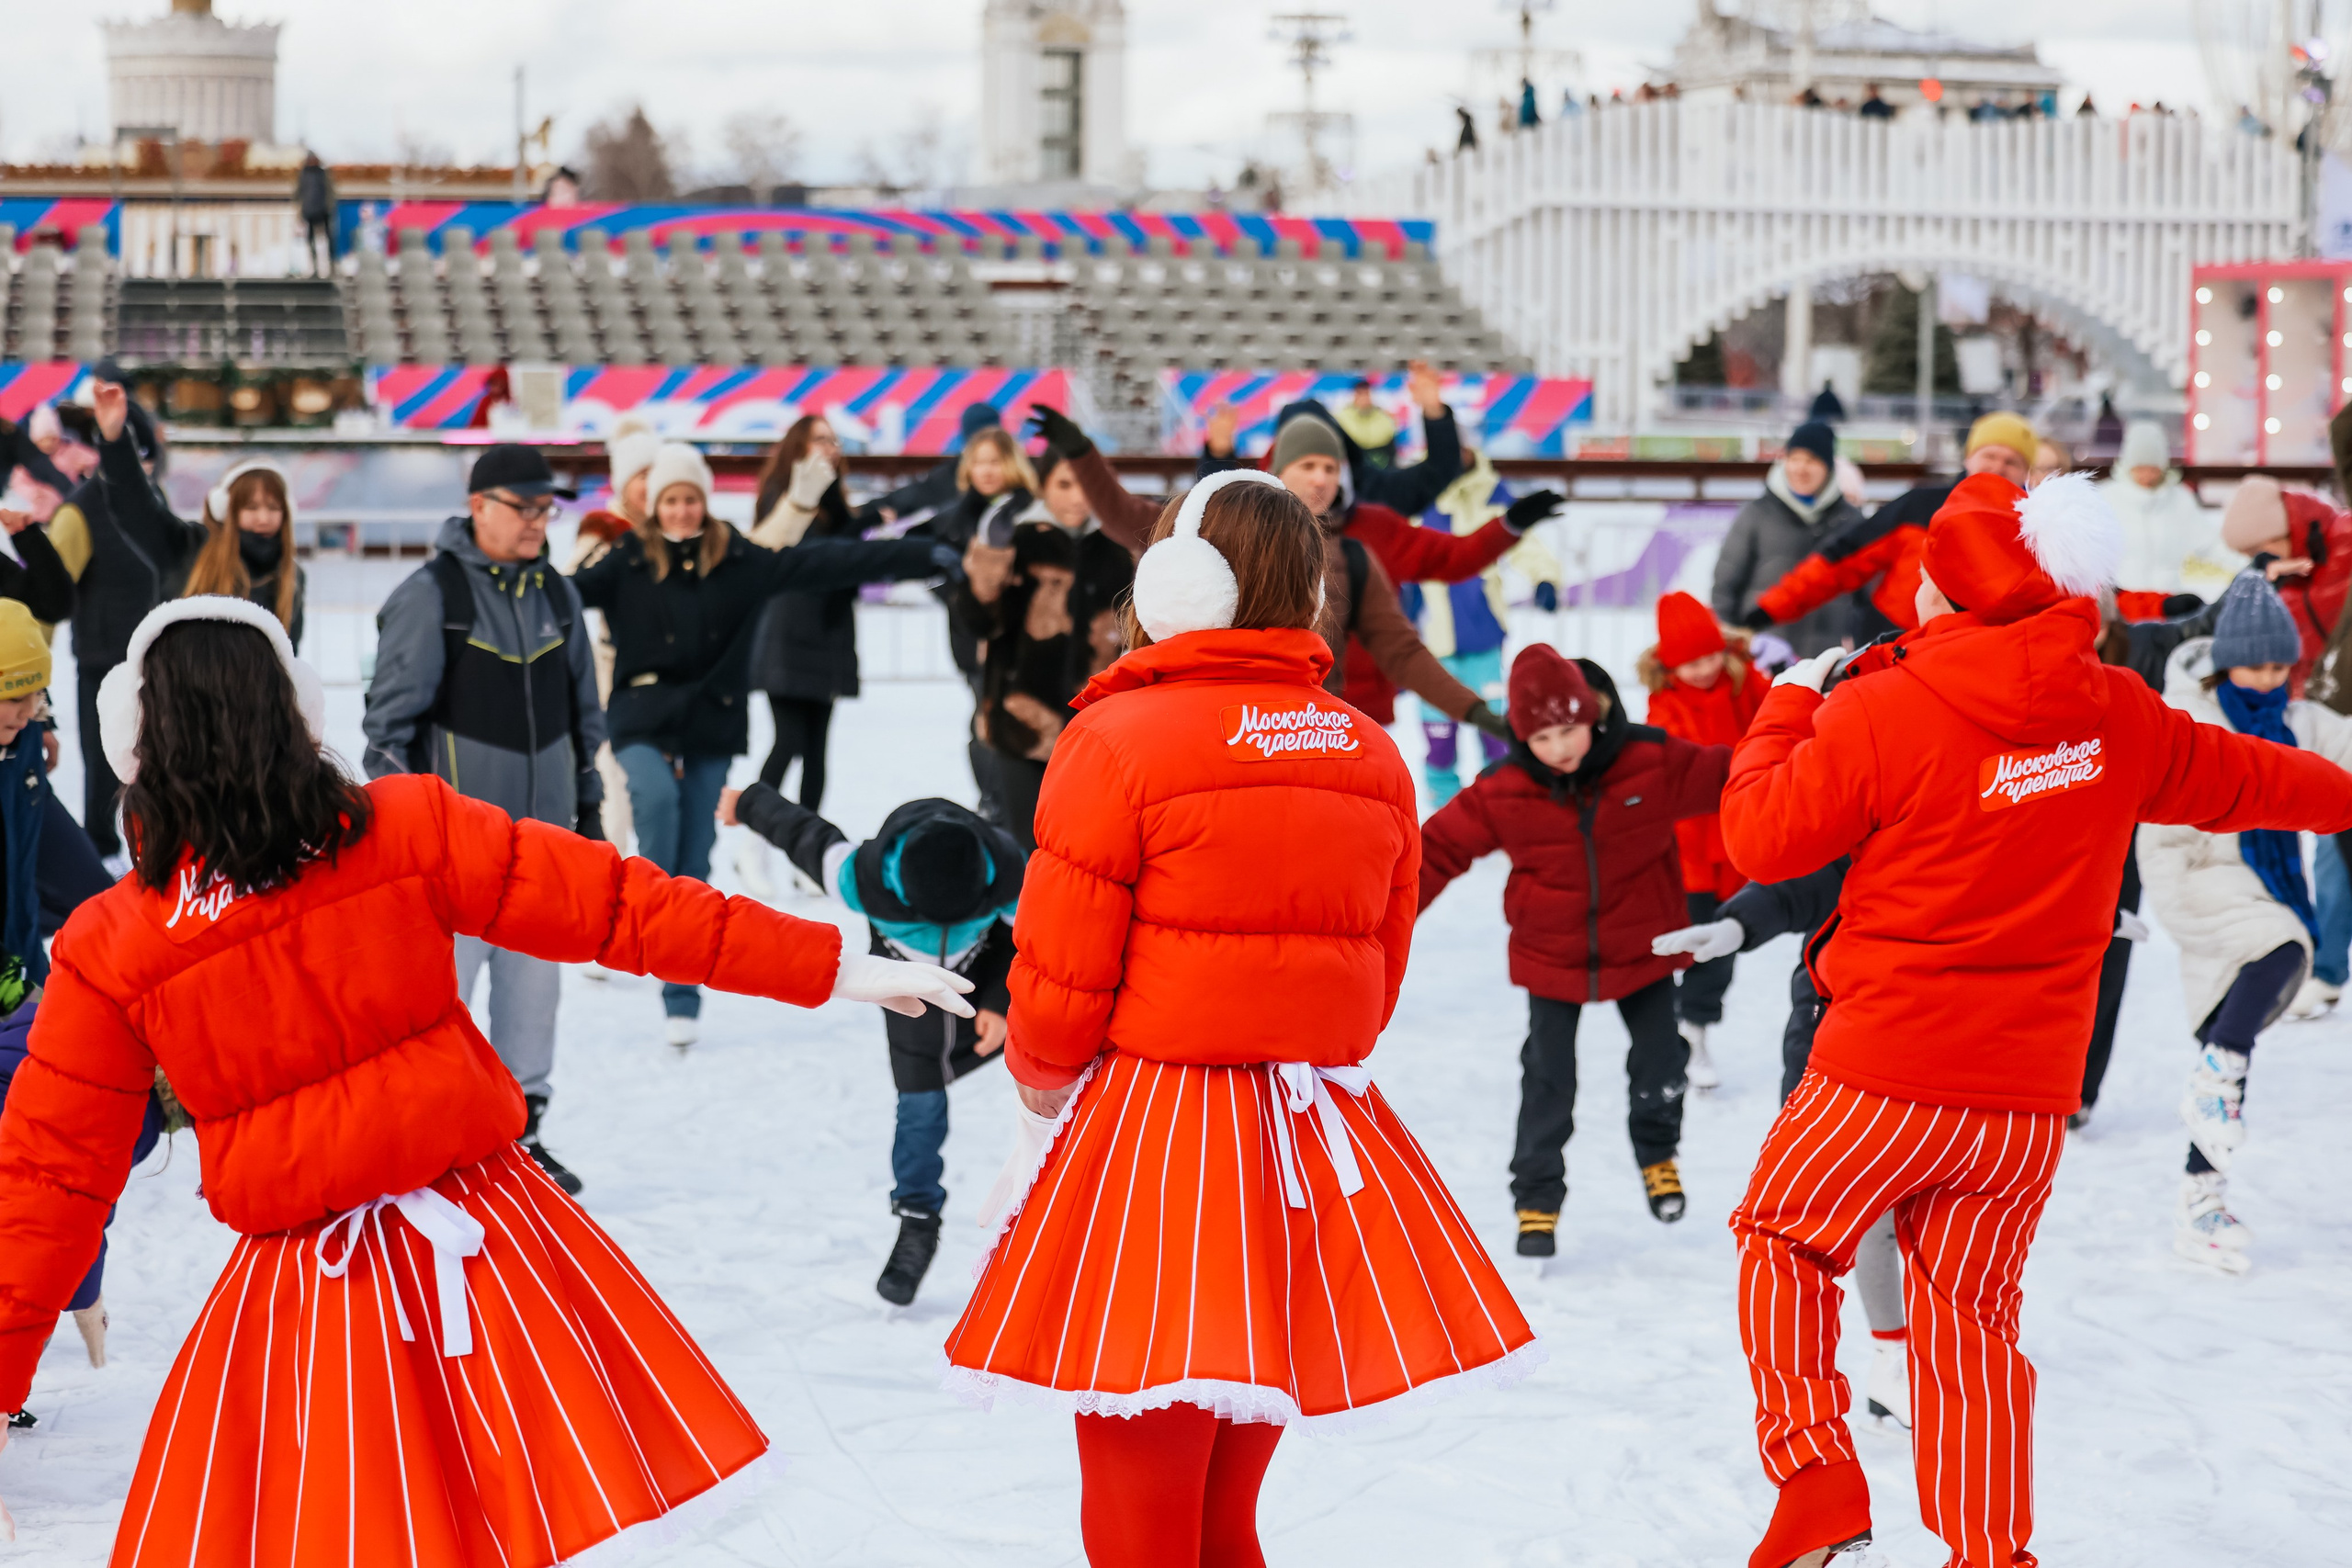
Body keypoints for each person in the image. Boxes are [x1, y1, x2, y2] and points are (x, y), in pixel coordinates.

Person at [0, 592, 971, 1558]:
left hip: (317, 1290)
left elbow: (44, 1188)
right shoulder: (402, 828)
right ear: (298, 713)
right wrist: (827, 963)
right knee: (512, 1522)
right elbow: (617, 905)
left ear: (133, 744)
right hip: (489, 1242)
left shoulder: (114, 943)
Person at [1718, 472, 2352, 1568]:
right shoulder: (2115, 712)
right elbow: (2261, 782)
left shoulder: (1879, 706)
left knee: (1782, 1237)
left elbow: (1757, 840)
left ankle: (1817, 1480)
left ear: (1949, 593)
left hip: (1881, 1074)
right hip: (2018, 1110)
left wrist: (1787, 706)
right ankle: (1990, 1552)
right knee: (1969, 1326)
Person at [943, 471, 1536, 1566]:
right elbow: (1378, 964)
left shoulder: (1118, 736)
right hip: (1304, 1140)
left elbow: (1063, 964)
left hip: (1159, 1141)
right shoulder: (1364, 748)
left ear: (1175, 583)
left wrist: (1037, 1065)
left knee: (1140, 1506)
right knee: (1223, 1512)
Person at [571, 443, 958, 1046]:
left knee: (694, 860)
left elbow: (826, 562)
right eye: (670, 500)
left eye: (690, 499)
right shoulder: (625, 558)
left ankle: (681, 986)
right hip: (641, 718)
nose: (680, 511)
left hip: (708, 722)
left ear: (704, 502)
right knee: (656, 810)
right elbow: (566, 592)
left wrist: (923, 555)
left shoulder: (737, 559)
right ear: (655, 507)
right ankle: (649, 929)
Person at [1419, 643, 1729, 1252]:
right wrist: (1382, 917)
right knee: (1548, 1076)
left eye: (1569, 730)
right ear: (1520, 738)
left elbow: (1737, 772)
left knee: (1661, 1058)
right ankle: (1536, 1197)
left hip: (1644, 943)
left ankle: (1657, 1153)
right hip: (1552, 952)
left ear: (1593, 715)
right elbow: (1436, 852)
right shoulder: (1503, 790)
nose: (1559, 747)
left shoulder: (1649, 761)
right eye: (1542, 738)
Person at [363, 444, 604, 1191]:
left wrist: (588, 816)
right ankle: (433, 1145)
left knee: (534, 1007)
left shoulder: (558, 594)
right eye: (524, 506)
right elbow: (386, 734)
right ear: (479, 506)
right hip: (456, 860)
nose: (538, 521)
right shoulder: (432, 594)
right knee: (440, 1011)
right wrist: (413, 840)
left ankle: (523, 1136)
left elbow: (584, 715)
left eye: (545, 508)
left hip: (545, 850)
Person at [1049, 402, 1527, 739]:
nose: (1321, 478)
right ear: (1276, 469)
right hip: (1214, 721)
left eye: (1331, 467)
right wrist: (1082, 455)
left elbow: (1402, 650)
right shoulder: (1220, 530)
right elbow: (1126, 514)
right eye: (1308, 465)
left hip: (1320, 728)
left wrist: (1477, 712)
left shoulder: (1358, 551)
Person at [721, 781, 1020, 1305]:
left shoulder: (1011, 874)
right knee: (920, 1107)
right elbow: (806, 834)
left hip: (990, 986)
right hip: (910, 998)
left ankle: (1072, 1213)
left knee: (1053, 1078)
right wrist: (746, 803)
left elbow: (1032, 935)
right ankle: (917, 1219)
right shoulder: (860, 877)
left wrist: (998, 998)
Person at [2139, 576, 2352, 1273]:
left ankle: (2200, 1202)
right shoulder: (2190, 720)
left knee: (2224, 1048)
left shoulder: (2296, 719)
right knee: (2281, 948)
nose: (2270, 678)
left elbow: (2344, 750)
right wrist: (2180, 897)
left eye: (2280, 666)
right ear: (2226, 660)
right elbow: (2161, 833)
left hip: (2259, 886)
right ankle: (2209, 1124)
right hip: (2196, 876)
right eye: (2257, 664)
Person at [47, 380, 202, 867]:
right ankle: (100, 848)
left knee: (158, 763)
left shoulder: (153, 505)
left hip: (154, 660)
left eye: (147, 455)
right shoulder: (79, 512)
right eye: (136, 453)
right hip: (101, 657)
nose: (143, 465)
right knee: (102, 763)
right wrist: (29, 681)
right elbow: (48, 598)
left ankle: (154, 852)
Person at [951, 443, 1136, 850]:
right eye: (1065, 485)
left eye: (1087, 486)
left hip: (1093, 732)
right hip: (1020, 725)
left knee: (1084, 849)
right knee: (1026, 848)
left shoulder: (1119, 550)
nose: (1077, 498)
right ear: (1043, 486)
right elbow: (975, 619)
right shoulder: (1016, 540)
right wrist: (990, 557)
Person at [1741, 412, 2038, 645]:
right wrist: (1764, 613)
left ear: (2026, 471)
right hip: (1891, 644)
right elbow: (1840, 562)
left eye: (2011, 461)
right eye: (1989, 455)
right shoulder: (1919, 507)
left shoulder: (2034, 529)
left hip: (1973, 655)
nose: (1997, 467)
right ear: (1968, 457)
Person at [1637, 591, 1763, 1090]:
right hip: (1685, 849)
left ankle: (1697, 1025)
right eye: (1690, 663)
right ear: (1669, 665)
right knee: (1680, 938)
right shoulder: (1663, 706)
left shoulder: (1747, 684)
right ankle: (1667, 1029)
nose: (1704, 668)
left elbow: (1781, 721)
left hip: (1737, 839)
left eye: (1711, 656)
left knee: (1723, 941)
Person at [1406, 452, 1564, 805]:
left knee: (1496, 733)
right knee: (1440, 740)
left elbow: (1525, 542)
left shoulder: (1491, 493)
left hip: (1483, 638)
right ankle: (1446, 811)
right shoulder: (1417, 496)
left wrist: (1544, 578)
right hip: (1433, 645)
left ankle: (1503, 803)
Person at [562, 415, 661, 853]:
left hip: (667, 676)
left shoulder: (670, 526)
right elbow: (567, 583)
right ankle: (614, 872)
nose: (651, 484)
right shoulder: (605, 527)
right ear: (624, 481)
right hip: (613, 676)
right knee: (615, 787)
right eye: (643, 474)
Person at [1711, 420, 1866, 657]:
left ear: (1828, 467)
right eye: (1794, 459)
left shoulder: (1851, 521)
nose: (1801, 469)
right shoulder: (1757, 514)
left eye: (1812, 460)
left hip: (1829, 659)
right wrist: (1732, 644)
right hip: (1763, 656)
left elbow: (1866, 593)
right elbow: (1725, 586)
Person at [2102, 419, 2235, 599]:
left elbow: (2211, 544)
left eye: (2153, 469)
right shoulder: (2106, 498)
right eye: (2140, 469)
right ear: (2127, 466)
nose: (2147, 477)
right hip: (2123, 603)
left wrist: (2250, 566)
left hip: (2168, 603)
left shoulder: (2180, 499)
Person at [176, 460, 305, 645]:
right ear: (225, 508)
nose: (263, 519)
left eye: (274, 508)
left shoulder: (293, 576)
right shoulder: (193, 549)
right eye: (251, 507)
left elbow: (290, 653)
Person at [1332, 378, 1398, 466]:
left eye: (1367, 393)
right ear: (1354, 395)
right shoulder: (1343, 416)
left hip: (1381, 461)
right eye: (1360, 394)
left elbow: (1388, 436)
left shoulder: (1383, 415)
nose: (1364, 398)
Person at [295, 151, 335, 277]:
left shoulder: (323, 174)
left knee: (328, 239)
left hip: (323, 211)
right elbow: (298, 193)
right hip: (309, 211)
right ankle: (315, 268)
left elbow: (330, 192)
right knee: (310, 240)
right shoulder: (304, 175)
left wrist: (329, 207)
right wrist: (300, 211)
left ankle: (331, 267)